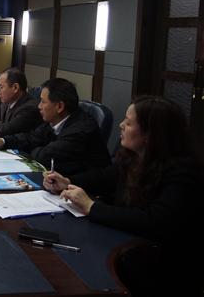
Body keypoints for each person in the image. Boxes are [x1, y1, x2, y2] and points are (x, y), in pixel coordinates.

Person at [43, 96, 204, 296]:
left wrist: (92, 207)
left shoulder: (183, 171)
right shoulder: (132, 157)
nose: (120, 125)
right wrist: (66, 182)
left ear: (151, 134)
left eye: (128, 123)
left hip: (163, 266)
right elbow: (103, 177)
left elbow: (155, 220)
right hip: (127, 247)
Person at [0, 77, 110, 175]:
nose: (39, 106)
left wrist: (34, 147)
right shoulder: (55, 119)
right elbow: (31, 138)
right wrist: (3, 141)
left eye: (43, 102)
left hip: (83, 189)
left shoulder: (81, 129)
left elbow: (44, 157)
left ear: (59, 106)